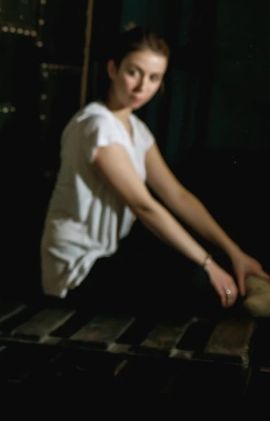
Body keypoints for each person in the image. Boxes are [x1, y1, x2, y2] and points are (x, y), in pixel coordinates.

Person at [40, 26, 269, 314]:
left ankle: (250, 283)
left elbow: (177, 196)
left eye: (154, 77)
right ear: (112, 69)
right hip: (78, 267)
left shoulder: (136, 129)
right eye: (133, 72)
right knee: (195, 275)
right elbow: (143, 205)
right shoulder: (96, 126)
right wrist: (208, 264)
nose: (142, 87)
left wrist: (235, 253)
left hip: (111, 252)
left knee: (198, 250)